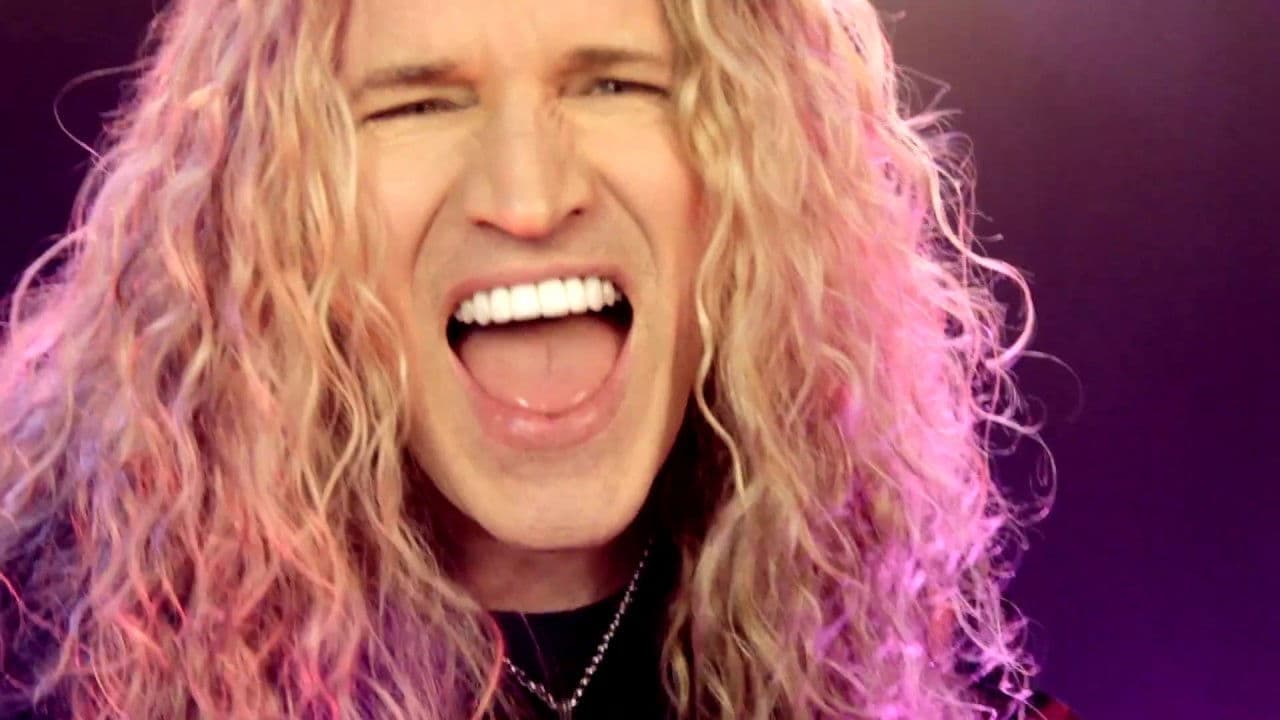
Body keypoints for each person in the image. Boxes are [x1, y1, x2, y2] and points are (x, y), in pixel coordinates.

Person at [0, 0, 1078, 718]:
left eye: (615, 85)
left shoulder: (928, 687)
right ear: (263, 205)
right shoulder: (48, 661)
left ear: (766, 166)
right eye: (419, 102)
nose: (526, 199)